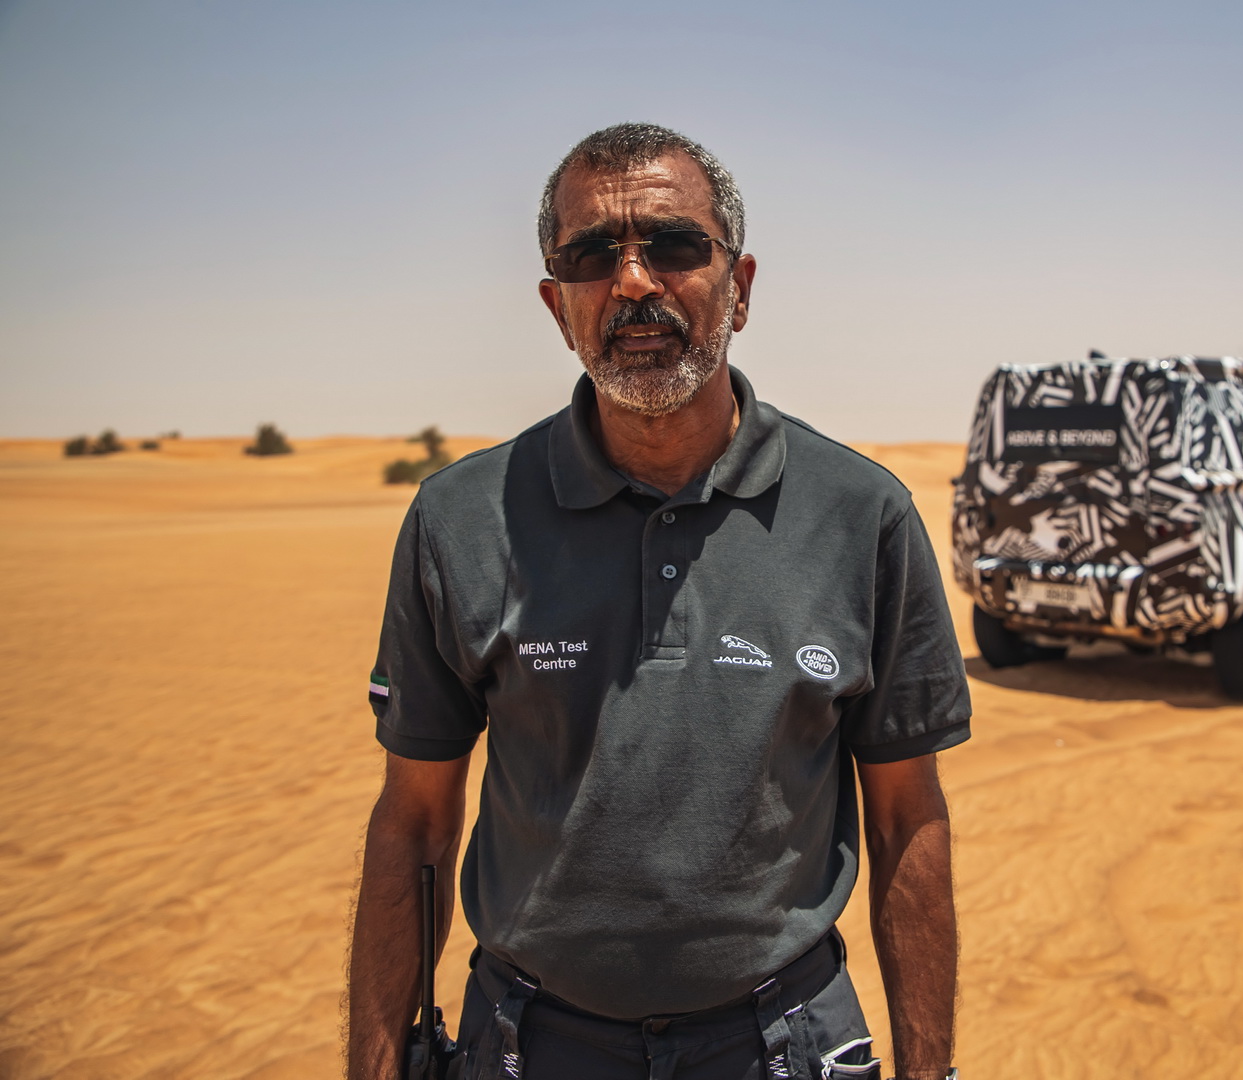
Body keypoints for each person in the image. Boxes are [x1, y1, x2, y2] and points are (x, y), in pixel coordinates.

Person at [346, 123, 971, 1080]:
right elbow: (415, 823)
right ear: (559, 307)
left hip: (781, 1042)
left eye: (674, 245)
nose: (633, 282)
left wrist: (932, 1072)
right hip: (529, 1041)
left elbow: (905, 819)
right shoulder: (460, 520)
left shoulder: (863, 516)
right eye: (592, 255)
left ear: (742, 287)